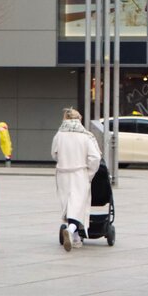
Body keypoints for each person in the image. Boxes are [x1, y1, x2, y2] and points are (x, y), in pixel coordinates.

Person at [51, 107, 102, 251]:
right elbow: (95, 157)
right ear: (78, 119)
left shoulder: (59, 135)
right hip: (79, 173)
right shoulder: (85, 136)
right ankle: (72, 229)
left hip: (62, 173)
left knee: (67, 205)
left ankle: (76, 238)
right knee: (78, 205)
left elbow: (54, 154)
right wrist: (89, 172)